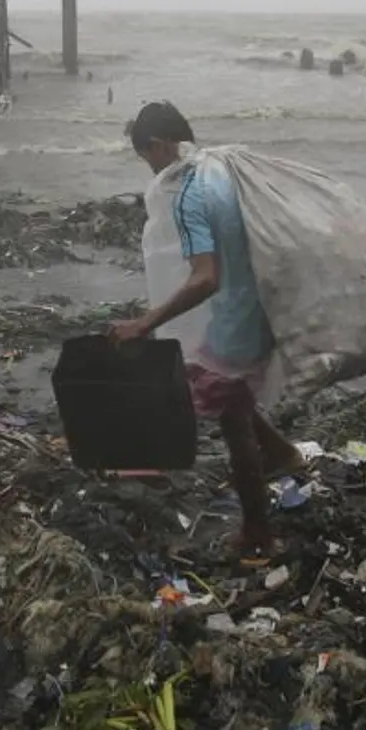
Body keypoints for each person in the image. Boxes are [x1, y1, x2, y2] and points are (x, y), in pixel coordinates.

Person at [108, 102, 302, 556]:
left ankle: (257, 531)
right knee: (229, 393)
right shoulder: (221, 169)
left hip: (235, 319)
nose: (151, 170)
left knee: (231, 419)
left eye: (147, 159)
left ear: (157, 145)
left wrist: (144, 322)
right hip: (259, 304)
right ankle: (282, 453)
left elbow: (204, 277)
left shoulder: (190, 194)